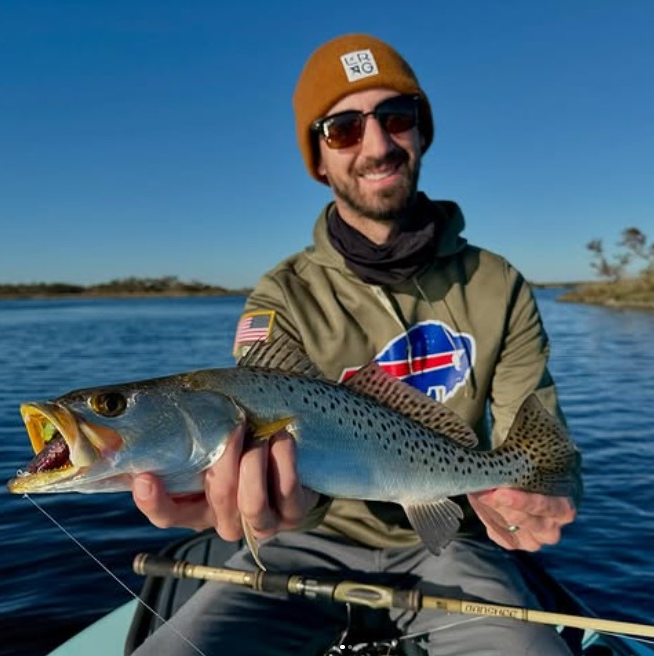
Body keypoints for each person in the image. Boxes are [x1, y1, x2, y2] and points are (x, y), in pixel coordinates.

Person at [131, 33, 582, 656]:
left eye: (396, 118)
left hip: (455, 542)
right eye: (343, 128)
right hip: (297, 550)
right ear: (318, 156)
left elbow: (544, 445)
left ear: (421, 132)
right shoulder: (281, 295)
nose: (377, 145)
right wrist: (265, 502)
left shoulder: (498, 284)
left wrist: (544, 493)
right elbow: (265, 461)